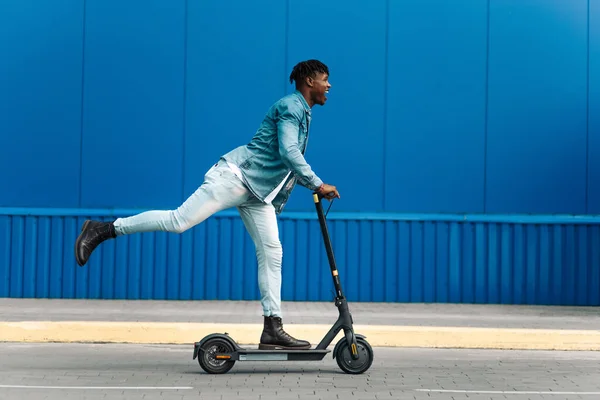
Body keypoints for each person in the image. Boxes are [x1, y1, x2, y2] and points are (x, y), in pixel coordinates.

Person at [74, 59, 340, 350]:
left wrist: (314, 185)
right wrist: (317, 183)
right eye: (325, 79)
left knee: (272, 252)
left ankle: (272, 327)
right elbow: (289, 152)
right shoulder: (291, 107)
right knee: (178, 221)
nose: (329, 85)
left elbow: (284, 163)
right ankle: (103, 229)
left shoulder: (304, 114)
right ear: (309, 81)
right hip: (236, 178)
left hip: (258, 193)